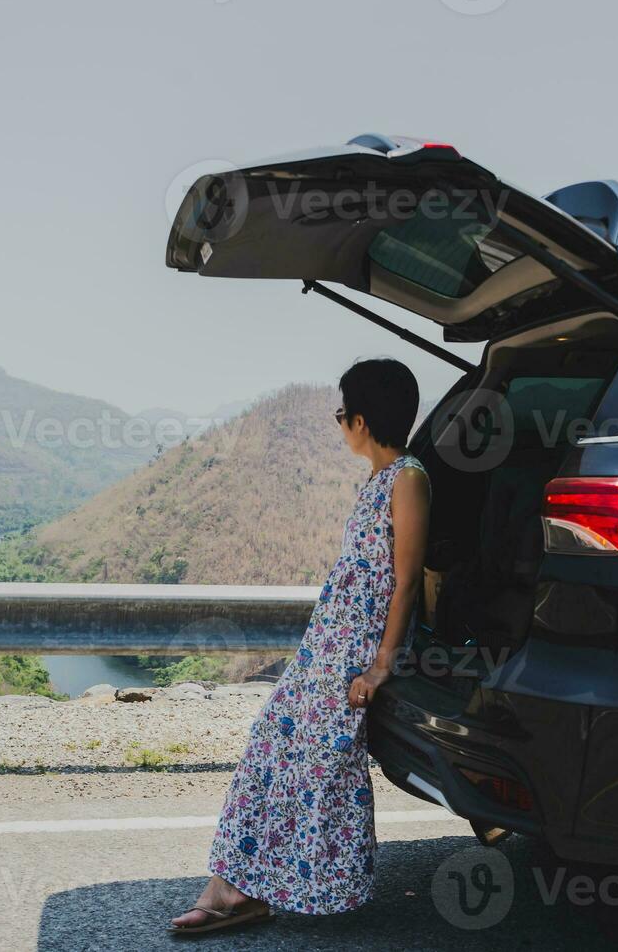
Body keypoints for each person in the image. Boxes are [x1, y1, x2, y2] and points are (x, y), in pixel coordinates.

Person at [170, 358, 430, 935]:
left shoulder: (409, 478)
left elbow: (406, 580)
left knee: (315, 762)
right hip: (328, 642)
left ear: (362, 419)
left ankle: (245, 891)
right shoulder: (378, 479)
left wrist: (381, 667)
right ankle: (236, 884)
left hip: (357, 648)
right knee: (270, 742)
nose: (340, 424)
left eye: (342, 414)